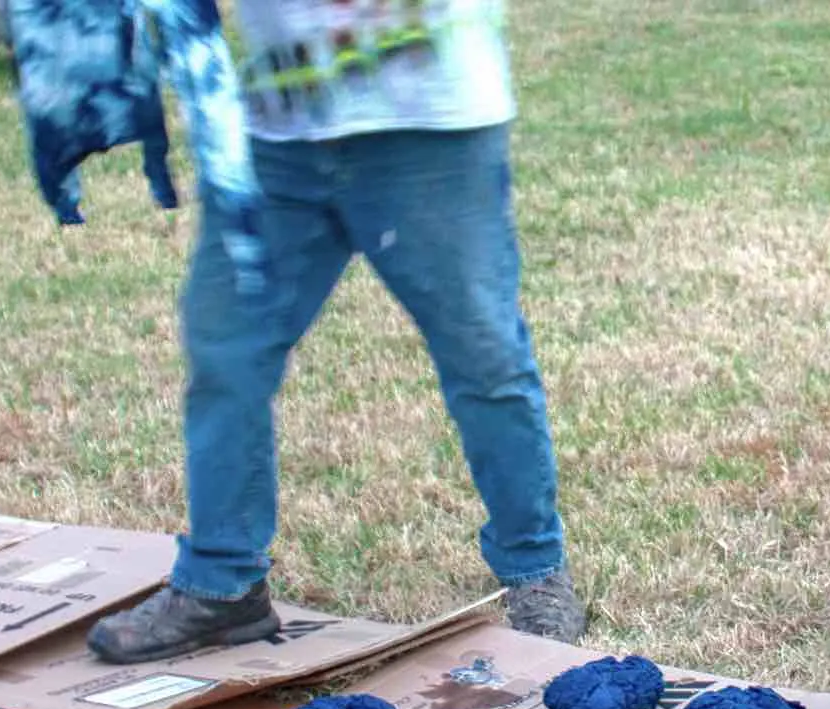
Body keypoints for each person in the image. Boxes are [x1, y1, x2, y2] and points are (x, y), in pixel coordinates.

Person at [87, 0, 583, 664]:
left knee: (483, 355)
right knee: (226, 352)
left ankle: (534, 565)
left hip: (431, 128)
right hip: (279, 136)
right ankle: (223, 581)